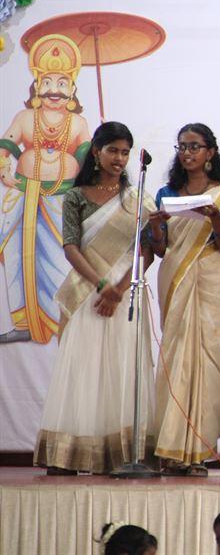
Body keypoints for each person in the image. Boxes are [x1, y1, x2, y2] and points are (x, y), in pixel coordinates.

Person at [34, 122, 156, 475]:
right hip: (89, 290)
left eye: (125, 152)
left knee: (123, 366)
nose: (119, 158)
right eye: (112, 150)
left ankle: (121, 456)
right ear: (97, 152)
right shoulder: (76, 196)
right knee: (83, 367)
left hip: (125, 292)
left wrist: (119, 289)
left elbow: (147, 251)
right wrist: (102, 285)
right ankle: (70, 455)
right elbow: (71, 247)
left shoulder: (137, 199)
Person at [149, 123, 220, 475]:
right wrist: (156, 225)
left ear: (210, 152)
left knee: (210, 360)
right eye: (182, 147)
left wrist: (215, 217)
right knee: (176, 359)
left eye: (194, 147)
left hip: (213, 275)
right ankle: (171, 450)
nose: (187, 153)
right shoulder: (166, 192)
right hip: (176, 275)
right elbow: (161, 248)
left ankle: (200, 452)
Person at [0, 33, 91, 344]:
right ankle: (23, 323)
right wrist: (4, 169)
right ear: (37, 86)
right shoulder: (25, 117)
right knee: (17, 256)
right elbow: (5, 145)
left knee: (61, 259)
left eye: (62, 83)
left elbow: (88, 159)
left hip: (63, 201)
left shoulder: (78, 124)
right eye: (48, 82)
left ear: (73, 89)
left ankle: (63, 319)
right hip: (24, 197)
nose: (55, 90)